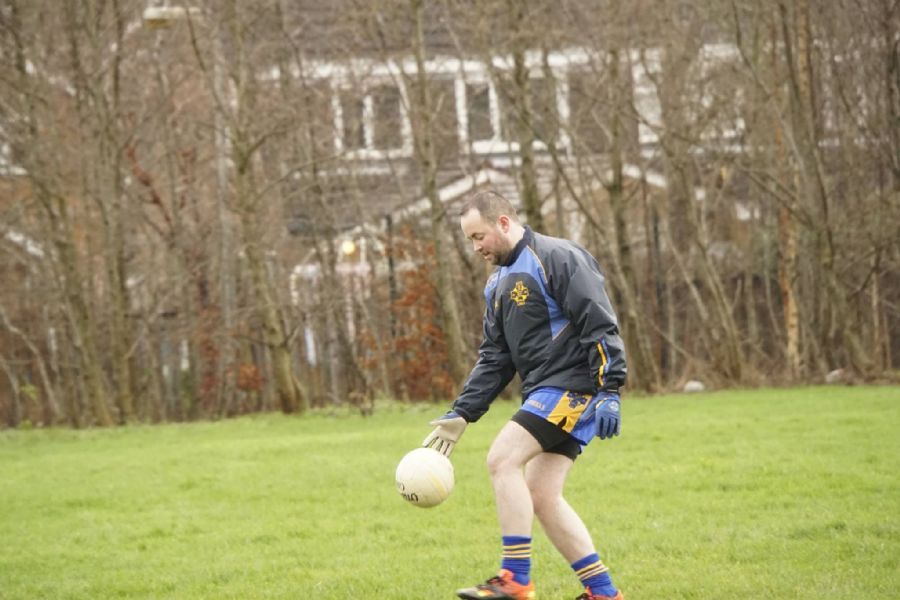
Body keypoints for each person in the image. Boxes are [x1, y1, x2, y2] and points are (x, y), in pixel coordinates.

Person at [423, 190, 628, 600]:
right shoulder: (496, 284)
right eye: (469, 240)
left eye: (478, 236)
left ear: (503, 223)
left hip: (573, 385)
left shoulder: (558, 257)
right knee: (541, 496)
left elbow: (598, 322)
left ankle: (515, 578)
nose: (475, 247)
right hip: (544, 390)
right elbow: (495, 358)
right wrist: (462, 412)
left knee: (502, 459)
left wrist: (609, 386)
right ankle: (604, 593)